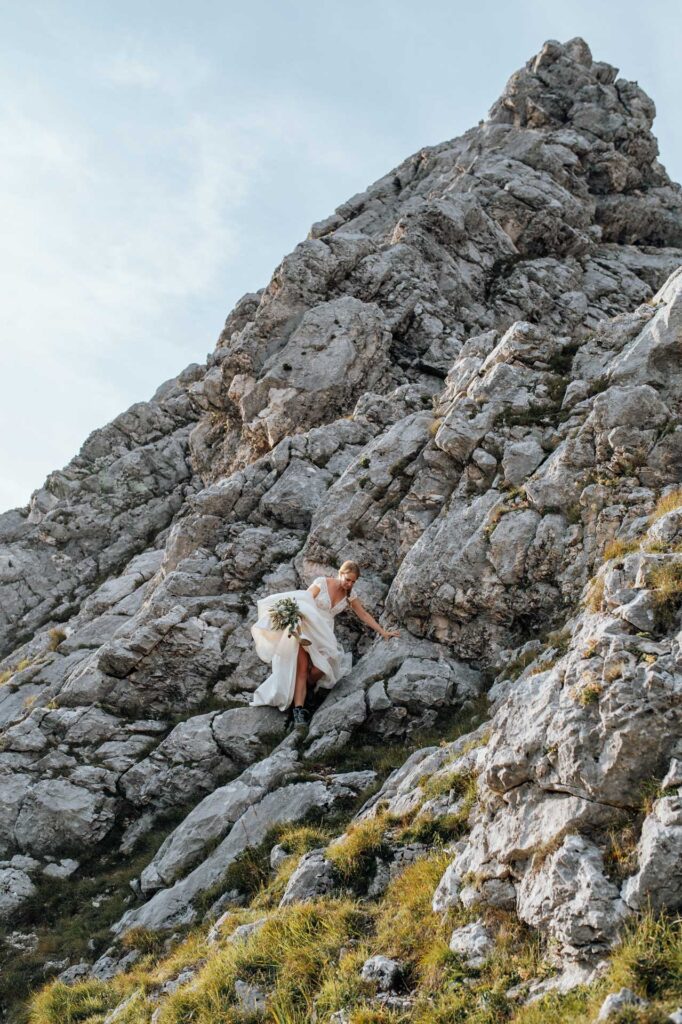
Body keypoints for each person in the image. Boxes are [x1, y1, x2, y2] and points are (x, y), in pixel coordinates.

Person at [249, 559, 400, 726]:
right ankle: (299, 710)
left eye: (353, 581)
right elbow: (303, 601)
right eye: (347, 579)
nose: (349, 584)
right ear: (340, 573)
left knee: (322, 667)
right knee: (301, 669)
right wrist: (294, 625)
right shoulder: (321, 583)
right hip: (307, 628)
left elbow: (363, 614)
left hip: (325, 634)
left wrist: (383, 632)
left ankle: (308, 688)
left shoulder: (350, 595)